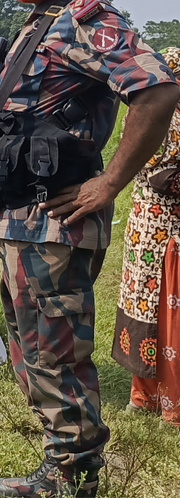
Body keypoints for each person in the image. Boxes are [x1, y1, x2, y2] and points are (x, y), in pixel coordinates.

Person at [0, 0, 178, 498]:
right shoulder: (40, 20)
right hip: (18, 218)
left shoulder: (87, 21)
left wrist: (109, 183)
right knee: (30, 347)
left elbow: (158, 89)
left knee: (56, 351)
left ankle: (71, 475)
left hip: (53, 222)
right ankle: (61, 457)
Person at [115, 48, 180, 429]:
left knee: (148, 307)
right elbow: (162, 174)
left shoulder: (140, 108)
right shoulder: (167, 113)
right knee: (162, 311)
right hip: (164, 228)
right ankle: (160, 401)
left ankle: (144, 398)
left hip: (146, 223)